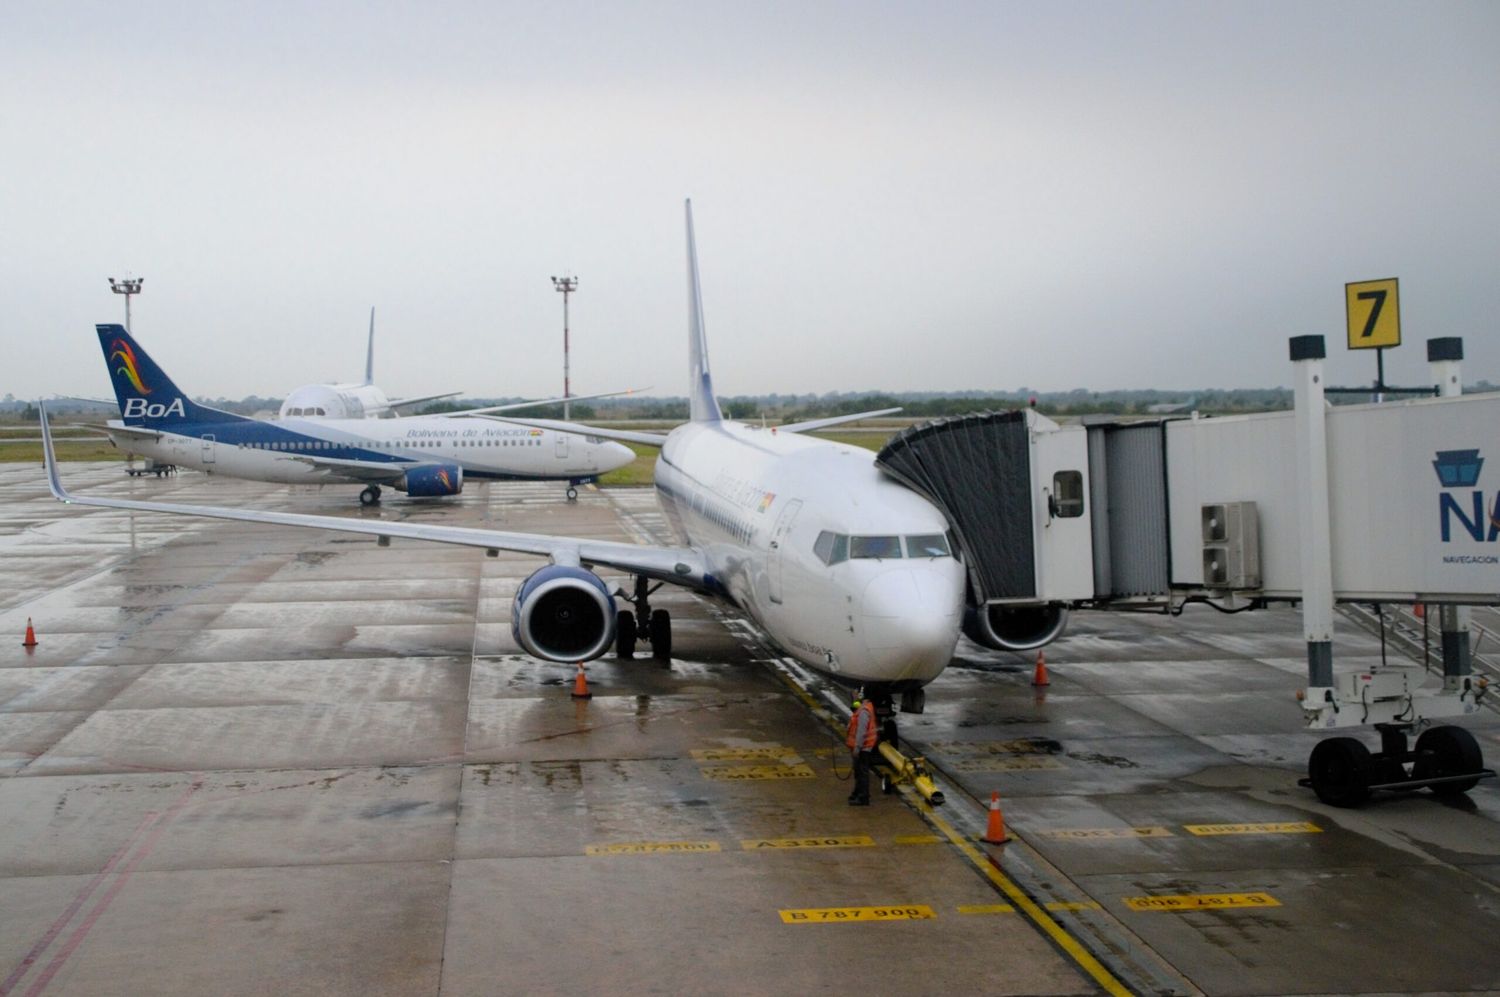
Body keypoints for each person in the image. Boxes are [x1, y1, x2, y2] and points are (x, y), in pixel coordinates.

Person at [846, 689, 878, 805]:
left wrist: (857, 748)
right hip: (863, 747)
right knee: (859, 772)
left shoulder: (864, 711)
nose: (853, 696)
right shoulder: (864, 708)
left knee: (862, 772)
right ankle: (857, 793)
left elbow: (861, 731)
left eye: (855, 694)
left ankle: (863, 797)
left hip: (863, 748)